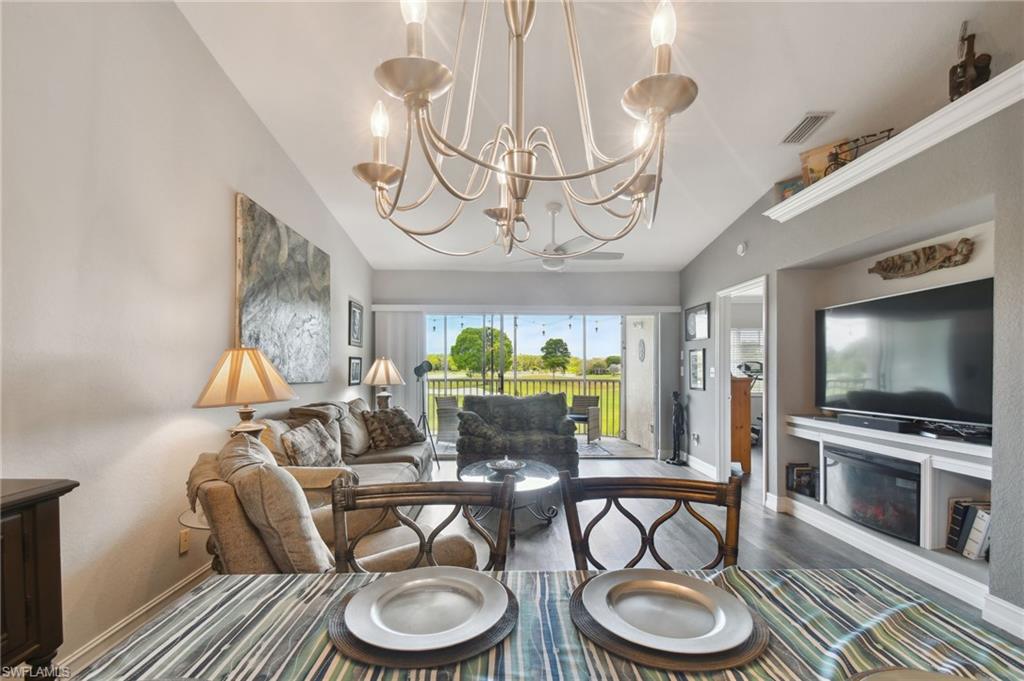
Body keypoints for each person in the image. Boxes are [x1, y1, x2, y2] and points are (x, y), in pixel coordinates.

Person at [666, 390, 688, 466]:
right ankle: (674, 455)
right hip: (674, 424)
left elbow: (682, 417)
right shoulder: (674, 405)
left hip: (678, 425)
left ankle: (678, 457)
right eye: (672, 396)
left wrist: (681, 427)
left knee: (677, 441)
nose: (672, 398)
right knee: (674, 440)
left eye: (673, 396)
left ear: (676, 397)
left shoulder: (680, 406)